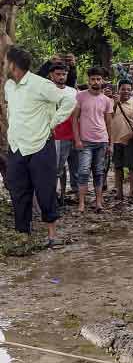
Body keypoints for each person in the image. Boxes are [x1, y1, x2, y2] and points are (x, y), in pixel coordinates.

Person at [3, 45, 75, 245]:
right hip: (17, 146)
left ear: (13, 64)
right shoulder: (9, 85)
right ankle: (23, 234)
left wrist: (52, 122)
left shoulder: (40, 84)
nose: (4, 65)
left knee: (45, 189)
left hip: (40, 145)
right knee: (18, 191)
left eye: (5, 61)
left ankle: (51, 235)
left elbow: (68, 100)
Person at [72, 67, 114, 213]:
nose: (95, 82)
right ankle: (82, 204)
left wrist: (110, 143)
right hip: (85, 142)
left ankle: (99, 202)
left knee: (98, 171)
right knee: (83, 171)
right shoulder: (81, 96)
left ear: (102, 81)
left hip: (102, 141)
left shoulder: (107, 100)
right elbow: (74, 119)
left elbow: (109, 123)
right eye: (93, 79)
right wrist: (77, 140)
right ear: (88, 80)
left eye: (98, 79)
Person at [48, 63, 79, 205]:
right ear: (51, 75)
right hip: (57, 135)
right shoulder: (46, 91)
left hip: (74, 134)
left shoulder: (73, 91)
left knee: (74, 167)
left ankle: (66, 195)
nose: (61, 77)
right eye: (58, 74)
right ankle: (53, 197)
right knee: (57, 168)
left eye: (64, 74)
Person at [109, 79, 133, 199]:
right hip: (115, 140)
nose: (126, 91)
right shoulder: (111, 102)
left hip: (130, 141)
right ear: (118, 90)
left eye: (129, 89)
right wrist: (115, 103)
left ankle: (131, 192)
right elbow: (108, 117)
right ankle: (119, 192)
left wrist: (131, 137)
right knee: (118, 167)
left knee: (132, 167)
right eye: (123, 89)